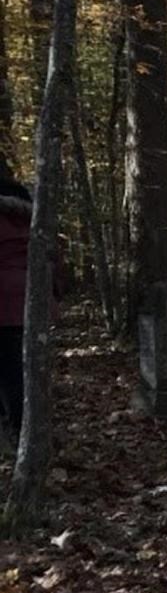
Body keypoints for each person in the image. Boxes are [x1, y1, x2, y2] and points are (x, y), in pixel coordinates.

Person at [0, 178, 32, 443]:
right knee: (18, 365)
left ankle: (16, 427)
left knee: (8, 368)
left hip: (5, 298)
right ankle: (21, 423)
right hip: (27, 297)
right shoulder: (29, 219)